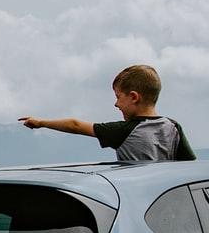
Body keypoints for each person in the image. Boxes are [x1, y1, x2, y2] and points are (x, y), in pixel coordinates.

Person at [19, 64, 195, 162]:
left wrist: (41, 122)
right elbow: (190, 165)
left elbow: (75, 125)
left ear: (134, 97)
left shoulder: (124, 131)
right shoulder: (173, 127)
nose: (116, 104)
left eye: (118, 97)